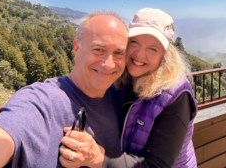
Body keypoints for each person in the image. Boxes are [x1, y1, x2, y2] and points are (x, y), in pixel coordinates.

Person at [60, 8, 198, 167]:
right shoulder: (119, 78)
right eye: (134, 42)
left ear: (164, 56)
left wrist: (98, 157)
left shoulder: (175, 94)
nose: (139, 54)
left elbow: (158, 165)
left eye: (152, 49)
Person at [0, 11, 128, 168]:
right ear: (77, 48)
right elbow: (5, 133)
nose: (109, 64)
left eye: (118, 53)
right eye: (98, 50)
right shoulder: (41, 100)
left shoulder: (121, 99)